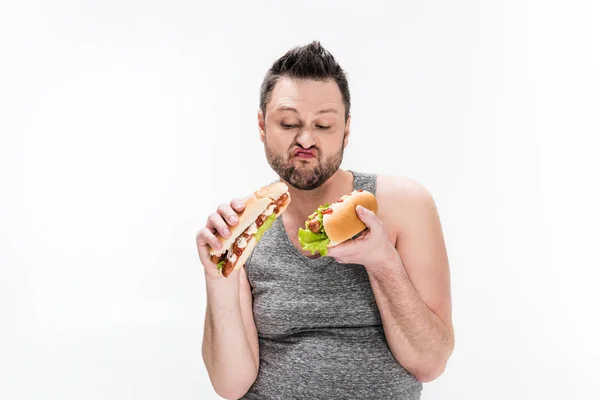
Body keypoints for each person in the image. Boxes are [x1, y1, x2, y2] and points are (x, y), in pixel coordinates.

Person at [196, 41, 454, 399]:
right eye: (288, 123)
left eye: (324, 125)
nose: (305, 139)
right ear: (261, 125)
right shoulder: (243, 227)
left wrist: (382, 262)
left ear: (346, 129)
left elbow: (431, 363)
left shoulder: (405, 205)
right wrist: (218, 275)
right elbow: (230, 384)